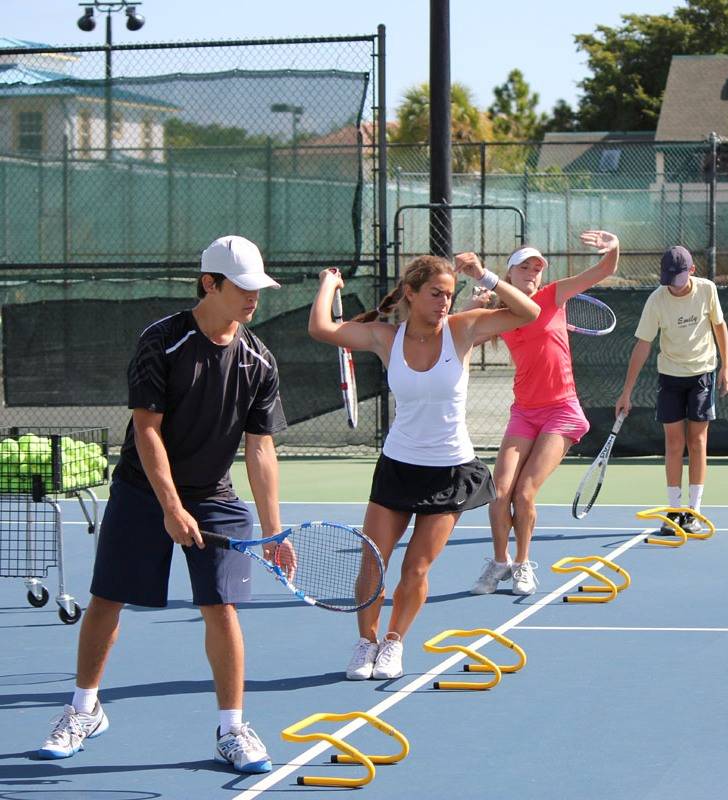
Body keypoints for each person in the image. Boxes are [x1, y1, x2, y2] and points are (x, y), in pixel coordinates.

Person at [37, 235, 288, 774]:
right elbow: (146, 432)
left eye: (258, 289)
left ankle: (232, 728)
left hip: (215, 495)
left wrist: (274, 530)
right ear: (209, 283)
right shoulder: (162, 341)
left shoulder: (257, 360)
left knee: (220, 608)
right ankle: (84, 709)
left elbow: (261, 447)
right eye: (243, 288)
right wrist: (172, 507)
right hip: (143, 489)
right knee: (106, 599)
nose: (253, 299)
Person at [308, 254, 540, 680]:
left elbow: (528, 311)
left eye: (450, 295)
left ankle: (394, 642)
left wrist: (483, 274)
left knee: (416, 567)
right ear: (411, 294)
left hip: (449, 472)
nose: (444, 302)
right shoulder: (385, 337)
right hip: (398, 466)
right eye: (436, 294)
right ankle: (366, 643)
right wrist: (328, 284)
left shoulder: (464, 329)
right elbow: (322, 328)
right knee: (372, 562)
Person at [470, 231, 621, 596]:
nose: (533, 273)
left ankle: (523, 564)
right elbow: (460, 338)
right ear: (509, 275)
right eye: (525, 267)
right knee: (498, 492)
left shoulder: (553, 296)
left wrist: (613, 248)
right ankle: (500, 561)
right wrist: (472, 305)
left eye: (537, 268)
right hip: (524, 412)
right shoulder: (499, 315)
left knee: (524, 494)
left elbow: (602, 270)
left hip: (561, 411)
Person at [615, 245, 728, 535]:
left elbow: (719, 326)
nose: (672, 286)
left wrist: (726, 366)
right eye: (668, 278)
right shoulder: (657, 300)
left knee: (698, 442)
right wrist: (626, 391)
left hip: (702, 374)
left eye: (677, 279)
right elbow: (643, 344)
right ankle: (675, 510)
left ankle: (693, 511)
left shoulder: (706, 290)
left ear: (691, 271)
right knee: (674, 444)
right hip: (670, 377)